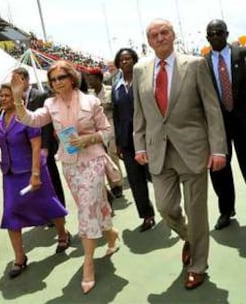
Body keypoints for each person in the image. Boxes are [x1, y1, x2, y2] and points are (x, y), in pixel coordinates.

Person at [133, 18, 227, 289]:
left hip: (193, 150)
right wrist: (139, 145)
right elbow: (140, 114)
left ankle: (198, 265)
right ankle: (190, 237)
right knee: (165, 207)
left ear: (173, 36)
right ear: (149, 41)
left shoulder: (195, 65)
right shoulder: (141, 71)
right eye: (154, 34)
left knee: (196, 212)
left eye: (164, 32)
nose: (160, 37)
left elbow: (212, 109)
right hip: (158, 152)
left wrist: (218, 148)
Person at [12, 60, 120, 294]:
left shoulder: (90, 101)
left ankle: (88, 264)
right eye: (53, 80)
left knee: (87, 209)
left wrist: (88, 139)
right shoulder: (50, 104)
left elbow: (107, 130)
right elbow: (31, 119)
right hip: (70, 164)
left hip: (92, 159)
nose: (57, 83)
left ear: (72, 78)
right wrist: (18, 99)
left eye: (61, 77)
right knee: (91, 205)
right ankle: (111, 233)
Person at [0, 84, 70, 279]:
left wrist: (36, 173)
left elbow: (36, 146)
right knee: (11, 212)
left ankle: (63, 234)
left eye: (7, 96)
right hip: (10, 175)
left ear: (16, 98)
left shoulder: (26, 119)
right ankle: (20, 257)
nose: (3, 99)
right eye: (1, 96)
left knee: (48, 205)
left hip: (32, 171)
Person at [205, 19, 246, 230]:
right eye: (210, 34)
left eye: (218, 32)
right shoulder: (201, 64)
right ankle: (226, 210)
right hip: (217, 125)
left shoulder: (242, 54)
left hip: (244, 121)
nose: (214, 37)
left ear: (227, 33)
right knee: (219, 170)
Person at [111, 48, 156, 232]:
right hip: (127, 142)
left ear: (135, 60)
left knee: (156, 176)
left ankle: (170, 209)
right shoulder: (116, 86)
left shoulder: (145, 80)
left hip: (148, 138)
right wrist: (118, 143)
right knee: (136, 181)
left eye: (128, 59)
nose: (125, 62)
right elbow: (116, 115)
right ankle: (147, 215)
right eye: (121, 60)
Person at [12, 67, 66, 208]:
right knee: (37, 181)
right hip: (28, 149)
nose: (15, 84)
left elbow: (47, 125)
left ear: (27, 80)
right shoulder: (16, 100)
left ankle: (60, 208)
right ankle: (47, 211)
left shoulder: (41, 96)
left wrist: (46, 146)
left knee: (52, 178)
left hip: (43, 147)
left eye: (18, 80)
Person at [86, 68, 124, 199]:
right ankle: (110, 185)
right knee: (101, 157)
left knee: (112, 155)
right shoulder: (88, 95)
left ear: (99, 78)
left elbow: (117, 108)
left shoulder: (110, 90)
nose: (89, 80)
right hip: (95, 130)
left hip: (111, 125)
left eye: (92, 77)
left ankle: (117, 185)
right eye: (88, 78)